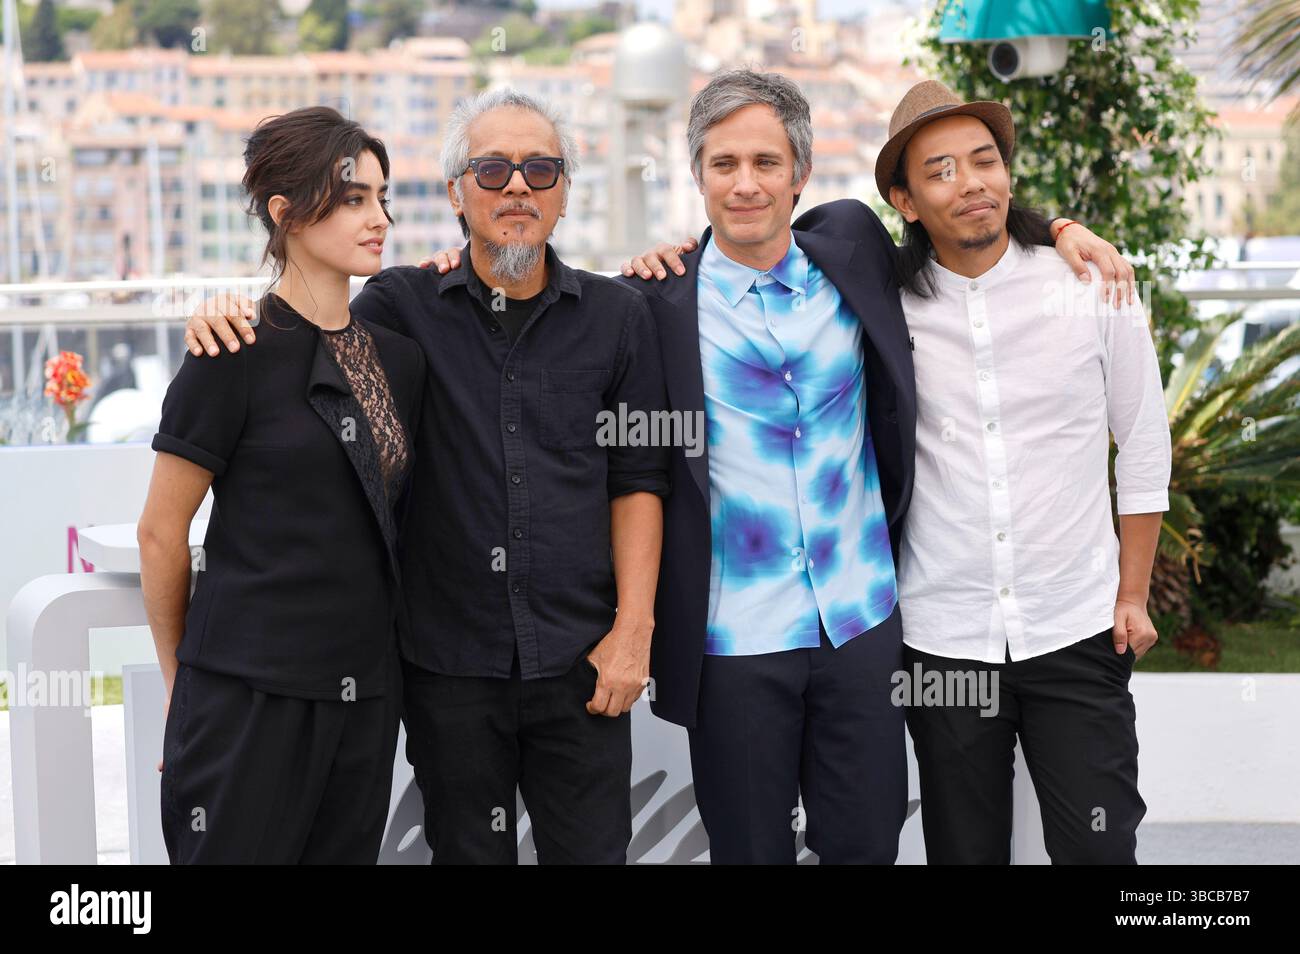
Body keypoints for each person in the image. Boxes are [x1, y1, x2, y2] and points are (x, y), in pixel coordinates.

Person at [511, 68, 1139, 864]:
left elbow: (962, 222)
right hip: (732, 639)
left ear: (800, 174)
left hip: (864, 627)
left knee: (867, 846)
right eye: (724, 164)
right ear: (697, 175)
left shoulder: (852, 250)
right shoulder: (654, 305)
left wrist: (1060, 229)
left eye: (766, 163)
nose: (745, 185)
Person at [178, 89, 671, 865]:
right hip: (446, 667)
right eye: (492, 169)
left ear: (567, 192)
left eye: (541, 170)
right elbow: (305, 317)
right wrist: (220, 314)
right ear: (455, 193)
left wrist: (633, 632)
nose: (518, 187)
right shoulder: (400, 307)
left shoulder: (619, 316)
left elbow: (639, 477)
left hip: (584, 661)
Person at [875, 80, 1168, 863]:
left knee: (1100, 850)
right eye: (940, 170)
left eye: (984, 161)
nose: (971, 182)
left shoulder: (1090, 284)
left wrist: (1132, 596)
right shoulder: (884, 306)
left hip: (1077, 625)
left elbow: (1141, 444)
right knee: (964, 850)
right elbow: (780, 238)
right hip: (943, 635)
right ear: (904, 200)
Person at [137, 106, 426, 864]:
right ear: (286, 212)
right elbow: (162, 533)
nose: (380, 217)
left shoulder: (400, 359)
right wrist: (181, 684)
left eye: (382, 197)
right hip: (246, 698)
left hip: (365, 698)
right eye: (355, 197)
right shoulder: (230, 348)